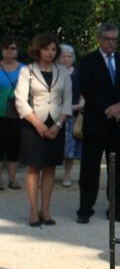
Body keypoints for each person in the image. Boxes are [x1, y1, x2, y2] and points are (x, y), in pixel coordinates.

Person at [77, 23, 120, 224]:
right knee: (90, 168)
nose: (112, 43)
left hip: (119, 125)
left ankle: (115, 209)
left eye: (114, 39)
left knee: (118, 169)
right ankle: (85, 209)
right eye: (108, 39)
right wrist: (108, 109)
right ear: (99, 39)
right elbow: (87, 89)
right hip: (96, 124)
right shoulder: (87, 61)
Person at [15, 34, 72, 226]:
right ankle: (33, 211)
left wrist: (57, 125)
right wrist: (39, 125)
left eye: (53, 49)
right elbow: (20, 101)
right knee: (33, 168)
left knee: (50, 168)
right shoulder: (27, 71)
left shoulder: (63, 71)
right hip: (33, 125)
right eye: (46, 49)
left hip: (56, 124)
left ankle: (45, 210)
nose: (50, 53)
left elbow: (68, 101)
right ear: (38, 50)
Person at [0, 36, 24, 191]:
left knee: (14, 146)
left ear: (17, 51)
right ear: (2, 50)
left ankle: (13, 179)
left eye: (13, 48)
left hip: (17, 113)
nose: (9, 51)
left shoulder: (25, 69)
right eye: (6, 48)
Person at [58, 44, 83, 188]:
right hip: (54, 115)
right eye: (63, 56)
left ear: (73, 58)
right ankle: (47, 173)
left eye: (69, 56)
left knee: (70, 147)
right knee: (52, 146)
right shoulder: (54, 72)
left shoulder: (78, 73)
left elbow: (83, 93)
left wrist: (80, 105)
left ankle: (67, 175)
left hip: (73, 114)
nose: (66, 59)